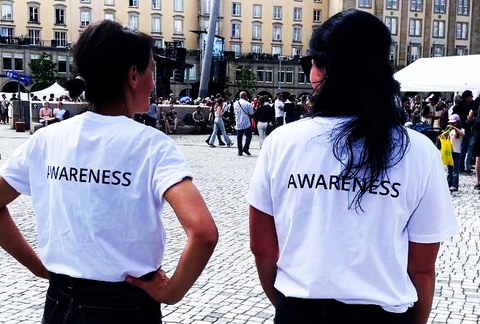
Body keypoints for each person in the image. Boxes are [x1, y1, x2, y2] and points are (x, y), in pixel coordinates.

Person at [247, 9, 457, 324]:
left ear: (322, 69)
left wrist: (287, 306)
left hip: (300, 312)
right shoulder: (419, 153)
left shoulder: (281, 143)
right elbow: (422, 267)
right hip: (382, 316)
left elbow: (262, 248)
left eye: (311, 63)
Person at [0, 20, 218, 323]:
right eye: (151, 70)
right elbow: (204, 232)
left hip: (61, 302)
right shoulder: (151, 145)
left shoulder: (47, 139)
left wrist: (36, 265)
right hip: (126, 306)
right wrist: (173, 292)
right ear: (133, 75)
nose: (153, 82)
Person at [452, 90, 474, 173]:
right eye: (471, 96)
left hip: (457, 129)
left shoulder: (458, 105)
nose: (472, 98)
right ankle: (460, 166)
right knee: (464, 148)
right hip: (466, 129)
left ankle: (458, 165)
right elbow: (469, 117)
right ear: (468, 97)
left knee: (458, 148)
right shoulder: (467, 105)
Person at [444, 114, 464, 192]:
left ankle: (455, 185)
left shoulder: (461, 129)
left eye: (454, 123)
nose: (452, 124)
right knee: (449, 169)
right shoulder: (451, 131)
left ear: (458, 123)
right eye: (451, 123)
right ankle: (448, 184)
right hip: (450, 152)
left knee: (455, 170)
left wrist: (455, 128)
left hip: (456, 152)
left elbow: (463, 134)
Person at [234, 91, 254, 156]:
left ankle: (240, 151)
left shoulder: (235, 103)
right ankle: (245, 148)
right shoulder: (248, 104)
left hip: (238, 123)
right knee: (249, 136)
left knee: (239, 138)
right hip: (246, 123)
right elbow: (251, 113)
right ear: (245, 96)